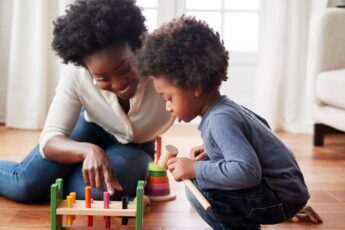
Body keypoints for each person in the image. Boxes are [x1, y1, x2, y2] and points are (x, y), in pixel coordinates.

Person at [134, 16, 310, 229]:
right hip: (288, 191)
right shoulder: (226, 108)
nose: (167, 107)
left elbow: (248, 172)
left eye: (169, 98)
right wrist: (215, 149)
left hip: (280, 197)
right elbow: (260, 133)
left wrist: (196, 169)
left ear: (195, 86)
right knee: (207, 173)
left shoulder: (219, 120)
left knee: (199, 189)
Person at [0, 0, 173, 202]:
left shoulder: (164, 64)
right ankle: (45, 180)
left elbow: (203, 101)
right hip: (90, 129)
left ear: (138, 46)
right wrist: (87, 151)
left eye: (125, 68)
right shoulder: (76, 73)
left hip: (135, 146)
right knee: (25, 186)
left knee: (96, 192)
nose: (118, 85)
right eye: (102, 78)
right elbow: (50, 139)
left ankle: (51, 180)